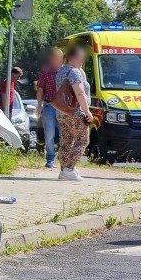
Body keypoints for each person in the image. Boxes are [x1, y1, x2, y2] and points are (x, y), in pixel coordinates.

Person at [56, 45, 93, 181]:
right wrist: (87, 111)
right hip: (76, 112)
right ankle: (69, 169)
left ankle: (63, 170)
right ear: (75, 56)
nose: (83, 58)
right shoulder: (74, 72)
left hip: (62, 112)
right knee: (82, 141)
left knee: (66, 142)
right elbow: (79, 92)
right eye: (82, 56)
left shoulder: (62, 71)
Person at [36, 47, 64, 169]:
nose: (59, 61)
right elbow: (40, 89)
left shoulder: (66, 71)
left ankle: (64, 159)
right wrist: (39, 105)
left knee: (64, 134)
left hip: (63, 107)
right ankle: (50, 158)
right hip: (49, 106)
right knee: (49, 133)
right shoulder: (45, 71)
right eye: (57, 58)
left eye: (61, 58)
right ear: (51, 58)